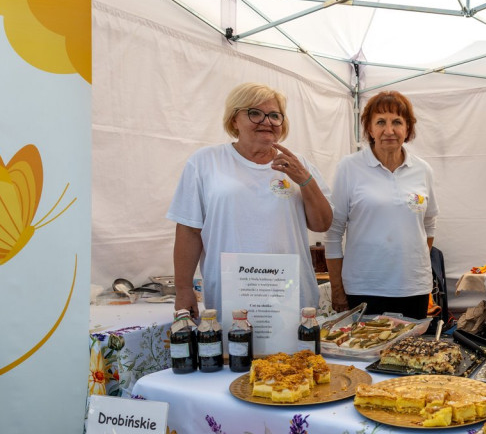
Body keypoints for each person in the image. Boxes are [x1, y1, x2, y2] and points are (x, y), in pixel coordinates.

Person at [167, 83, 333, 320]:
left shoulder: (298, 164)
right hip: (231, 295)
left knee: (295, 357)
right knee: (234, 354)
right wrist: (183, 289)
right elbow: (188, 230)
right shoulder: (206, 161)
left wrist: (304, 179)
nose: (266, 121)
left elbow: (322, 224)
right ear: (234, 119)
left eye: (275, 116)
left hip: (290, 296)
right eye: (254, 113)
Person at [325, 90, 437, 319]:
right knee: (364, 353)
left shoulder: (422, 170)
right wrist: (337, 290)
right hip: (364, 288)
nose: (389, 130)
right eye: (380, 122)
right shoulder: (349, 167)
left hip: (413, 289)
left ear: (408, 129)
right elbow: (334, 233)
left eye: (397, 122)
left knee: (411, 354)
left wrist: (409, 263)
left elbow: (429, 224)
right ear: (369, 129)